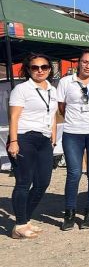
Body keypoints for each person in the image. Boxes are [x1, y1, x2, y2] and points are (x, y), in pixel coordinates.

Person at [56, 49, 89, 230]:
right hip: (72, 133)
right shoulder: (65, 82)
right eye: (85, 62)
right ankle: (69, 213)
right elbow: (62, 107)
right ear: (78, 62)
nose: (88, 66)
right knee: (74, 173)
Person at [7, 53, 58, 239]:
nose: (40, 71)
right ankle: (20, 224)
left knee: (42, 182)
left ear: (49, 69)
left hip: (44, 140)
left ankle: (25, 219)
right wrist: (13, 142)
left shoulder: (52, 90)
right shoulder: (21, 90)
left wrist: (53, 137)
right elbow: (14, 117)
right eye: (35, 67)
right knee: (23, 182)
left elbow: (52, 115)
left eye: (44, 67)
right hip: (24, 138)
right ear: (28, 70)